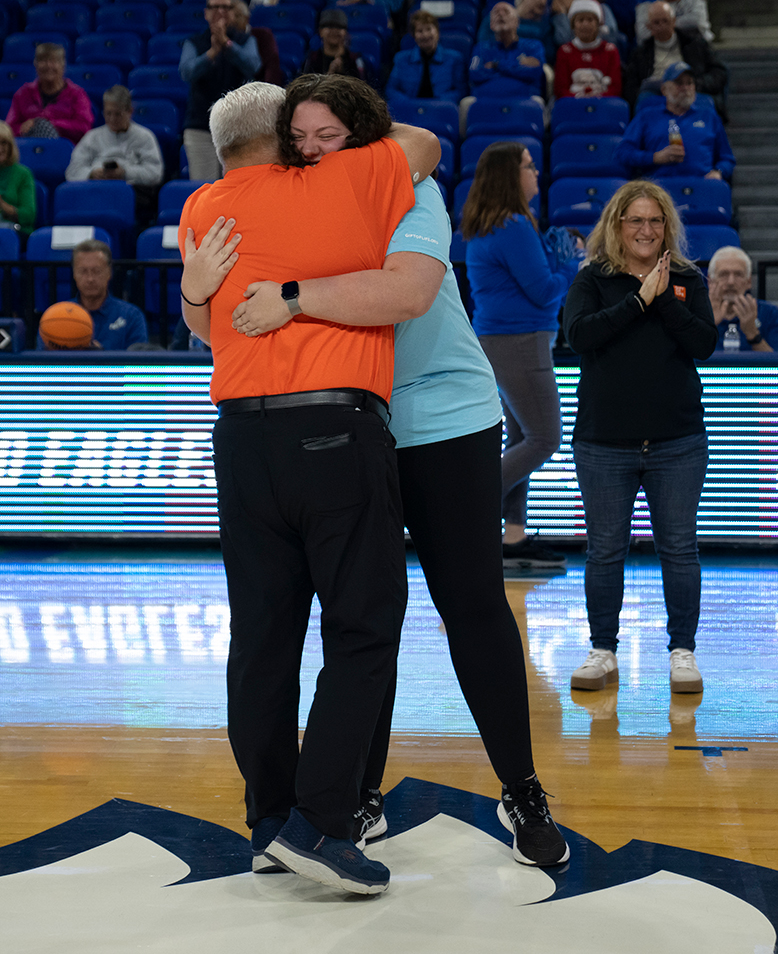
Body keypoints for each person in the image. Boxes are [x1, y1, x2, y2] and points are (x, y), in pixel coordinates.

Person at [221, 76, 570, 870]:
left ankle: (521, 788)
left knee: (473, 604)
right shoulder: (290, 195)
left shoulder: (403, 183)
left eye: (328, 136)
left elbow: (407, 293)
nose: (310, 150)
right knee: (364, 617)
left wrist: (293, 296)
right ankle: (352, 794)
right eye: (297, 136)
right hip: (354, 424)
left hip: (446, 416)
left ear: (363, 138)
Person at [178, 78, 440, 895]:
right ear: (290, 136)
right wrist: (336, 127)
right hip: (332, 429)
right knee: (363, 630)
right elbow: (425, 142)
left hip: (240, 438)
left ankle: (268, 820)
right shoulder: (345, 177)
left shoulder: (200, 209)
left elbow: (204, 319)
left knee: (261, 637)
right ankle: (322, 825)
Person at [562, 180, 718, 694]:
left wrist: (662, 296)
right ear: (617, 226)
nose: (646, 230)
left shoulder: (688, 279)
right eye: (636, 221)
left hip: (678, 441)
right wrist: (638, 298)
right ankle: (602, 650)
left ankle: (682, 651)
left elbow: (704, 344)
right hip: (604, 442)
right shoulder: (593, 279)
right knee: (605, 550)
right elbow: (579, 336)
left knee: (679, 548)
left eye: (655, 221)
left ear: (666, 226)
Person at [462, 141, 581, 567]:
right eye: (529, 166)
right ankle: (467, 515)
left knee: (521, 438)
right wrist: (574, 265)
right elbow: (546, 291)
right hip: (519, 341)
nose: (536, 173)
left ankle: (512, 538)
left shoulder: (494, 225)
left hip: (505, 341)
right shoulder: (513, 227)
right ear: (510, 177)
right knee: (545, 438)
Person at [179, 0, 260, 182]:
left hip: (237, 125)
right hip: (200, 125)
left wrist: (227, 45)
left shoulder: (246, 40)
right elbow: (187, 72)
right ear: (206, 13)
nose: (220, 11)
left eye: (225, 7)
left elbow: (253, 66)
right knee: (202, 187)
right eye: (214, 7)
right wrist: (212, 52)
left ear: (233, 12)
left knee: (238, 185)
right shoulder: (194, 42)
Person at [614, 62, 736, 182]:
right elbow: (623, 153)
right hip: (660, 188)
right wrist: (654, 157)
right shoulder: (647, 116)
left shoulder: (709, 116)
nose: (685, 88)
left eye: (690, 83)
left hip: (700, 187)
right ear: (664, 89)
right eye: (679, 83)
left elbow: (727, 158)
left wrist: (718, 172)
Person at [36, 238, 148, 350]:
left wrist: (102, 357)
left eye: (96, 271)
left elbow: (138, 364)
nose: (90, 279)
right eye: (83, 271)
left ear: (109, 272)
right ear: (74, 273)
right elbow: (42, 362)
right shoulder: (56, 316)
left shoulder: (131, 316)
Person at [623, 2, 728, 117]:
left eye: (665, 21)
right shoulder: (640, 53)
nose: (662, 26)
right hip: (656, 93)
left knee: (705, 102)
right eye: (656, 22)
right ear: (649, 27)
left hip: (690, 89)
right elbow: (630, 85)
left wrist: (696, 84)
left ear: (674, 21)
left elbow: (719, 72)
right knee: (644, 100)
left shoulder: (696, 44)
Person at [65, 86, 164, 189]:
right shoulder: (91, 137)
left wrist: (125, 172)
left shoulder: (145, 137)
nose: (112, 119)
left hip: (133, 192)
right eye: (108, 113)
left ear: (130, 111)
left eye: (118, 114)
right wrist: (92, 173)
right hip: (95, 191)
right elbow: (72, 171)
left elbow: (155, 173)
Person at [5, 43, 93, 145]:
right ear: (35, 64)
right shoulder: (22, 94)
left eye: (53, 61)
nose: (48, 66)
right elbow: (8, 129)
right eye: (43, 61)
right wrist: (22, 128)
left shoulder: (77, 95)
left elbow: (84, 128)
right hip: (27, 151)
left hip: (67, 153)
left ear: (63, 65)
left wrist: (51, 124)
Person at [707, 246, 778, 352]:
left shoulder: (771, 314)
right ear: (710, 281)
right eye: (724, 274)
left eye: (738, 275)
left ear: (749, 282)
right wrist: (707, 325)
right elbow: (683, 362)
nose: (731, 282)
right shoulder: (695, 313)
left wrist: (753, 335)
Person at [386, 10, 467, 103]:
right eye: (420, 31)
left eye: (429, 29)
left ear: (437, 32)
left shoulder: (455, 58)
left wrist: (435, 104)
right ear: (414, 36)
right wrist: (409, 104)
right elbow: (391, 90)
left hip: (442, 110)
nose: (425, 35)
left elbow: (461, 91)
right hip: (409, 110)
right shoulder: (400, 59)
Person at [469, 3, 546, 99]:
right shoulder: (481, 48)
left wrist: (496, 65)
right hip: (486, 98)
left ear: (516, 22)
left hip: (524, 99)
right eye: (496, 13)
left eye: (506, 12)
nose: (500, 14)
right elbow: (475, 74)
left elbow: (534, 73)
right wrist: (517, 66)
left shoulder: (533, 46)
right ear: (491, 25)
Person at [554, 0, 622, 99]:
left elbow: (615, 88)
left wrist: (596, 97)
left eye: (590, 20)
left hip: (603, 105)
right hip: (573, 105)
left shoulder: (610, 50)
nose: (585, 24)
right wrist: (579, 97)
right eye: (580, 20)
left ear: (598, 24)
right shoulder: (565, 51)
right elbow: (560, 89)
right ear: (573, 25)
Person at [477, 0, 555, 63]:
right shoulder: (495, 17)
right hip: (497, 61)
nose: (543, 2)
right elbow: (484, 43)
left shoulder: (545, 26)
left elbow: (549, 54)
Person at [301, 8, 366, 81]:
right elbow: (304, 87)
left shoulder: (354, 59)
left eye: (339, 27)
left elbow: (363, 87)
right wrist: (329, 75)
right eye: (329, 26)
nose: (334, 31)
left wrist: (343, 73)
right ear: (320, 31)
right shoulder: (312, 59)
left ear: (345, 33)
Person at [551, 0, 620, 50]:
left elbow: (611, 37)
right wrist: (560, 16)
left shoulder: (602, 9)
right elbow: (564, 41)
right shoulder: (559, 17)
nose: (556, 2)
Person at [231, 0, 281, 86]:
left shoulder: (263, 35)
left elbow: (272, 66)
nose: (234, 21)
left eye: (237, 16)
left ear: (247, 18)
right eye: (230, 16)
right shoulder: (226, 36)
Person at [0, 122, 36, 237]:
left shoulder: (22, 174)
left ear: (11, 146)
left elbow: (29, 215)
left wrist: (2, 204)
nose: (0, 149)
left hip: (16, 231)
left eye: (4, 143)